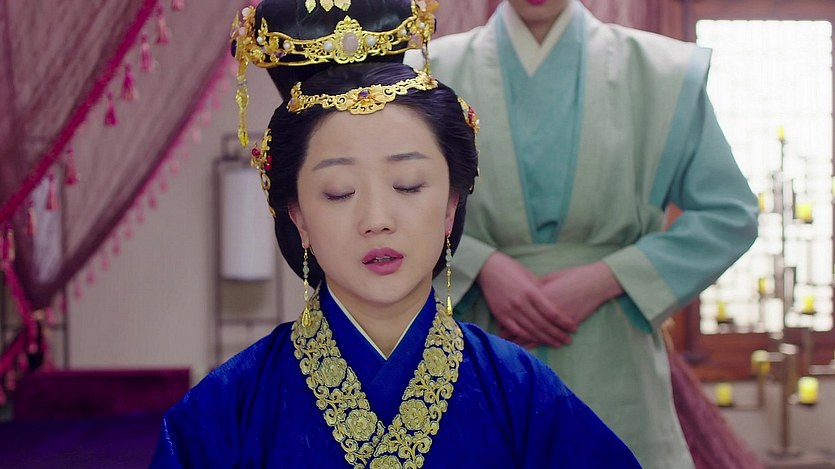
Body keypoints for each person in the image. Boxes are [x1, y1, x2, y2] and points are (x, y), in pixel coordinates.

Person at [150, 1, 641, 467]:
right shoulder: (223, 413)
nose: (377, 218)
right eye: (339, 192)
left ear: (450, 206)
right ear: (297, 217)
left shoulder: (523, 394)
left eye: (407, 185)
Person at [408, 1, 759, 468]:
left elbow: (728, 213)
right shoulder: (427, 73)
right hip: (478, 340)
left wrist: (610, 277)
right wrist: (479, 265)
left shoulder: (660, 72)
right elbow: (400, 206)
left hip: (612, 344)